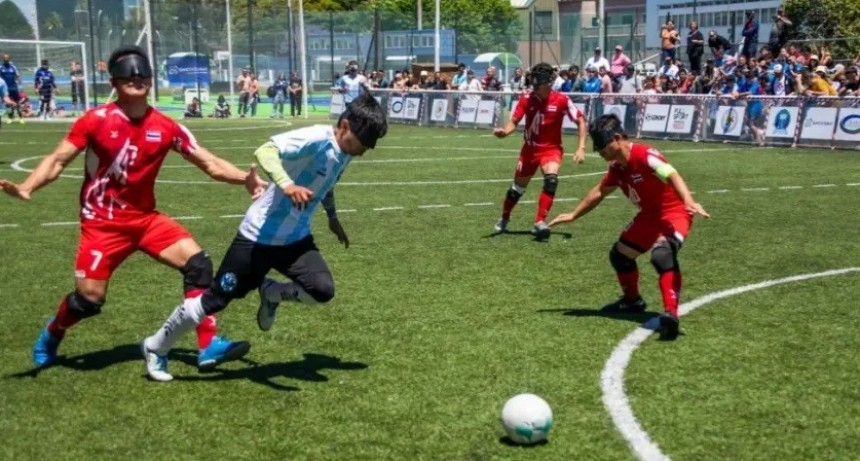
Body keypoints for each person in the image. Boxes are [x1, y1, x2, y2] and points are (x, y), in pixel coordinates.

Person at [0, 46, 266, 369]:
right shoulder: (95, 120)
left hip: (145, 221)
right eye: (128, 73)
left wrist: (245, 179)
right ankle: (53, 332)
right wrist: (28, 186)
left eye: (143, 73)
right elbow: (57, 160)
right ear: (114, 81)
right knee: (89, 299)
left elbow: (209, 163)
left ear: (151, 81)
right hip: (102, 224)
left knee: (199, 265)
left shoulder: (167, 127)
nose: (137, 77)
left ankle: (208, 344)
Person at [140, 93, 388, 381]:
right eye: (360, 143)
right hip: (257, 238)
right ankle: (155, 346)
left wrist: (332, 218)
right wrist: (287, 185)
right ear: (345, 126)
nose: (362, 151)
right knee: (215, 299)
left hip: (295, 240)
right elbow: (266, 151)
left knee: (322, 290)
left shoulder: (345, 152)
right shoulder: (316, 138)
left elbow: (327, 183)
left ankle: (271, 292)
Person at [548, 114, 710, 340]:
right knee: (620, 255)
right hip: (648, 217)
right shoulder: (617, 167)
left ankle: (671, 314)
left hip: (675, 212)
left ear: (616, 138)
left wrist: (688, 201)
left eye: (601, 145)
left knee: (662, 255)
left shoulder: (644, 155)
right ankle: (633, 301)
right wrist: (574, 214)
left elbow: (671, 174)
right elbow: (599, 192)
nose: (598, 151)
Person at [491, 62, 587, 239]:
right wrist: (504, 132)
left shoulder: (562, 100)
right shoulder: (526, 99)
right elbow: (514, 122)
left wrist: (581, 148)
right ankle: (504, 217)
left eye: (538, 81)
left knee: (551, 181)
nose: (534, 85)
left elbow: (581, 121)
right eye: (533, 80)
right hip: (530, 150)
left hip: (551, 150)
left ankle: (539, 222)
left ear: (548, 82)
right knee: (516, 190)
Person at [1, 53, 24, 123]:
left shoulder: (13, 67)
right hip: (5, 89)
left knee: (17, 103)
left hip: (14, 88)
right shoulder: (1, 67)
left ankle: (21, 118)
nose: (6, 60)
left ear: (9, 59)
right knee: (8, 104)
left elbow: (18, 76)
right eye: (5, 58)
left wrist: (18, 84)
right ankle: (10, 118)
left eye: (7, 58)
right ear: (3, 59)